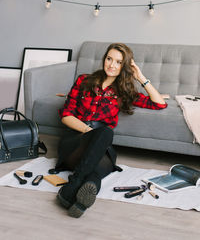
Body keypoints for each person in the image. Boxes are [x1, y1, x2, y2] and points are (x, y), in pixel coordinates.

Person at [56, 43, 167, 218]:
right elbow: (66, 115)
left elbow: (160, 103)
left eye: (118, 62)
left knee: (100, 156)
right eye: (109, 59)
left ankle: (74, 194)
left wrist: (140, 77)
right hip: (76, 139)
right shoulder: (83, 80)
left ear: (125, 66)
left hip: (101, 145)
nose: (112, 65)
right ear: (104, 59)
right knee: (105, 133)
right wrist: (89, 131)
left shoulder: (124, 91)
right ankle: (76, 184)